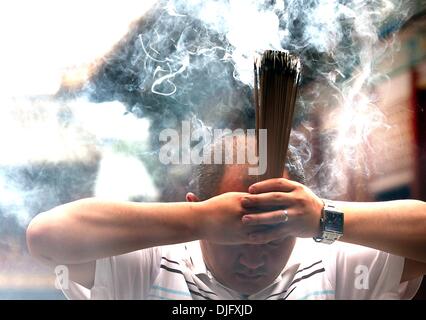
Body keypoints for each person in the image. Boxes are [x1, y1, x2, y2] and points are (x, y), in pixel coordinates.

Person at [26, 135, 426, 300]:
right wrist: (195, 220)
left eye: (274, 237)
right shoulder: (148, 266)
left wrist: (325, 218)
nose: (253, 259)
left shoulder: (336, 265)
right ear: (198, 207)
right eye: (235, 237)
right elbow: (45, 236)